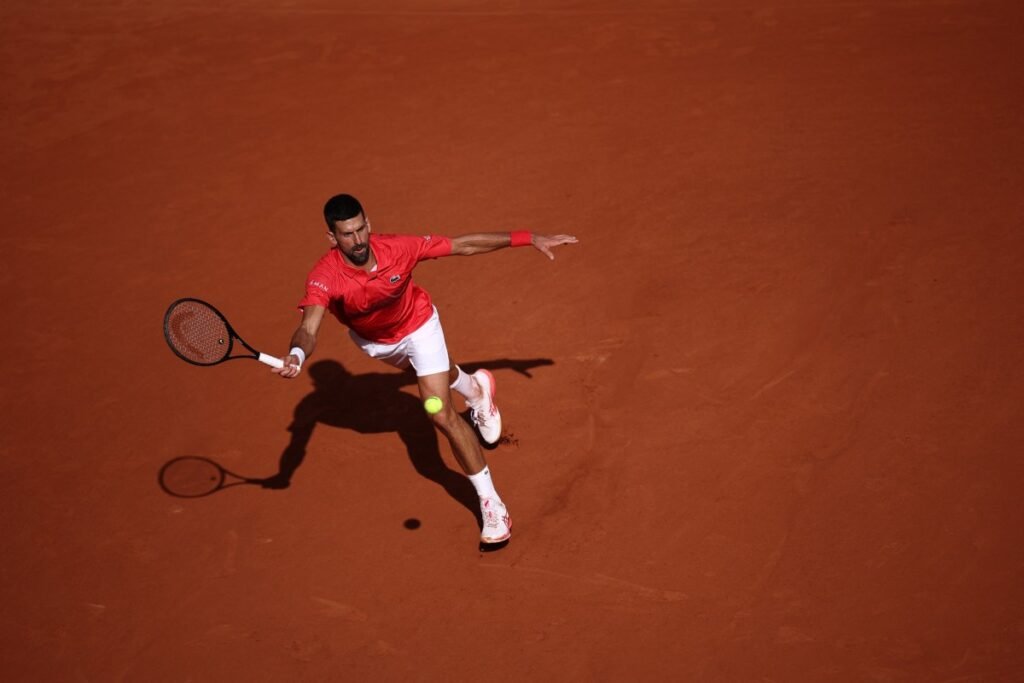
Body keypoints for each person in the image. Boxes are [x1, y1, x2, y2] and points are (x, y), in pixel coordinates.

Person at [273, 193, 577, 545]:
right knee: (436, 374)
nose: (357, 241)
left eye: (360, 230)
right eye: (346, 234)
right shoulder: (324, 277)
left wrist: (528, 238)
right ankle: (477, 389)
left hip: (419, 325)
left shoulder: (398, 248)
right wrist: (296, 354)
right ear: (332, 238)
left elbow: (463, 245)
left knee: (439, 411)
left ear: (368, 224)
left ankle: (492, 504)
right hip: (378, 344)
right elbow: (309, 327)